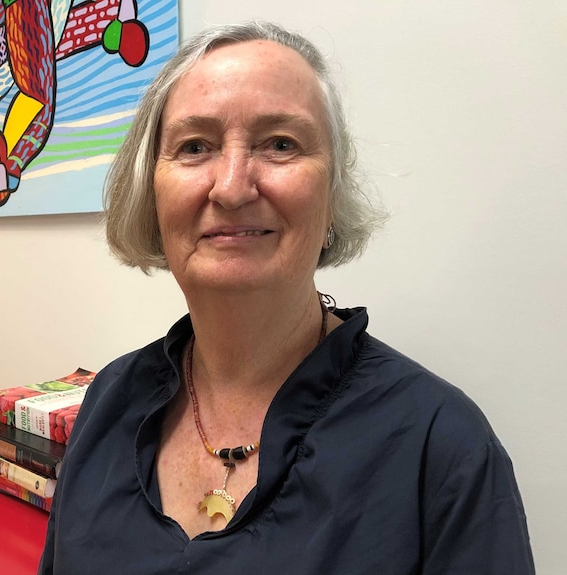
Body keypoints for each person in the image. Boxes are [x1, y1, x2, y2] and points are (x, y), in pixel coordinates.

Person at [38, 21, 534, 574]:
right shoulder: (108, 400)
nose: (230, 186)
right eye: (194, 146)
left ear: (332, 195)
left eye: (280, 144)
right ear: (151, 192)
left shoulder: (442, 447)